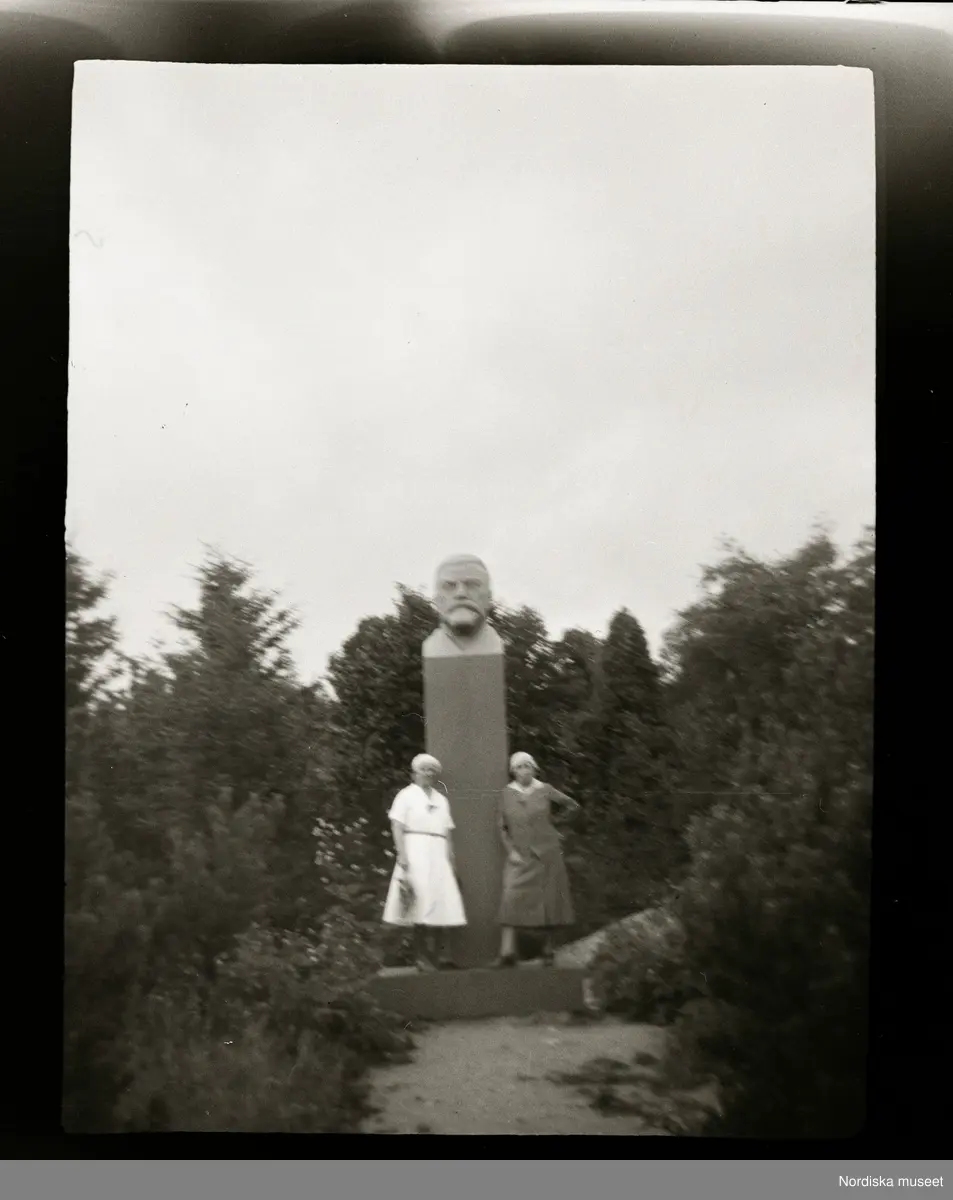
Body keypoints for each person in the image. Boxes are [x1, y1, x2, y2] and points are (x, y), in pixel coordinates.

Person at [494, 751, 580, 967]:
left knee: (549, 899)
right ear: (513, 771)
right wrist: (510, 851)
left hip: (547, 853)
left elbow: (573, 806)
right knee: (510, 897)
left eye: (528, 766)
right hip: (520, 855)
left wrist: (553, 826)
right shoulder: (506, 793)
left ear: (534, 769)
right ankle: (507, 952)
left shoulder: (545, 789)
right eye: (519, 767)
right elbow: (501, 826)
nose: (524, 771)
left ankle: (548, 949)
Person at [382, 753, 466, 970]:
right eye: (424, 770)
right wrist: (402, 855)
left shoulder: (441, 800)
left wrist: (451, 861)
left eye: (431, 770)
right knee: (418, 904)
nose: (428, 773)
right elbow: (397, 826)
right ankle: (421, 957)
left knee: (441, 903)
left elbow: (447, 833)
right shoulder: (405, 796)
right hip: (415, 851)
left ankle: (441, 957)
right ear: (414, 773)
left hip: (438, 853)